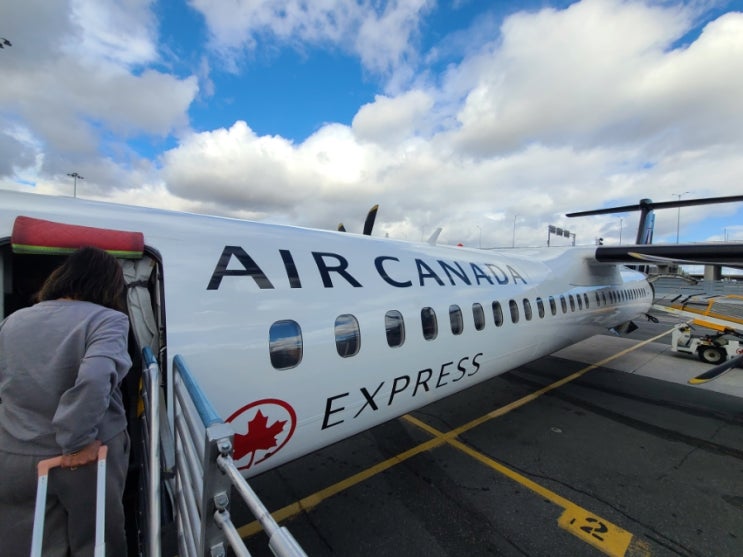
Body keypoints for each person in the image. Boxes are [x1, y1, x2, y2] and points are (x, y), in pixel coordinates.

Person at [0, 246, 132, 557]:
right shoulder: (108, 319)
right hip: (83, 458)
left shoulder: (13, 320)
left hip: (14, 454)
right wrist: (76, 441)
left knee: (28, 544)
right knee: (97, 543)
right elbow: (95, 377)